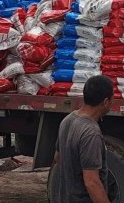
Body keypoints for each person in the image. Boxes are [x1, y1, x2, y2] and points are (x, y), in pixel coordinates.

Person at [50, 75, 114, 203]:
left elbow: (58, 158)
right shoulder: (91, 133)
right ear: (106, 102)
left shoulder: (67, 120)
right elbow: (92, 182)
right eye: (113, 99)